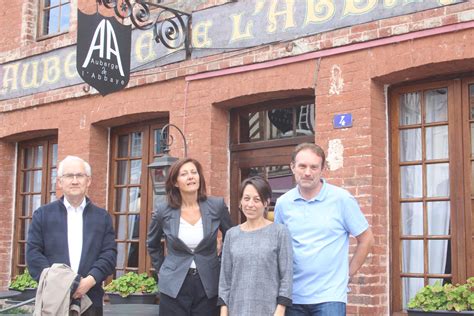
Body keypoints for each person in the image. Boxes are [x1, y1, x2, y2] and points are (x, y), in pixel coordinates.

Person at [274, 143, 375, 316]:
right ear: (292, 167)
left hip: (330, 297)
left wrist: (348, 273)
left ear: (323, 169)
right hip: (293, 296)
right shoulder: (283, 203)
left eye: (314, 167)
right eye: (302, 166)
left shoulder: (341, 199)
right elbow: (278, 246)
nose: (307, 172)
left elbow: (367, 239)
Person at [26, 155, 117, 316]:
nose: (75, 181)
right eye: (69, 176)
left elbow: (109, 255)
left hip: (91, 301)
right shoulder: (43, 215)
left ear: (88, 181)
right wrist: (63, 284)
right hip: (53, 301)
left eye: (79, 176)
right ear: (60, 182)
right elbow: (33, 255)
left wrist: (88, 282)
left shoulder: (102, 217)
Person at [147, 157, 233, 316]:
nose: (191, 176)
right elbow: (152, 244)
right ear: (175, 182)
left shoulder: (217, 206)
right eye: (184, 174)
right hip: (174, 285)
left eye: (194, 172)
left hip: (208, 284)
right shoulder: (163, 211)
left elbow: (232, 237)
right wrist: (163, 269)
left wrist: (219, 262)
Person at [218, 176, 293, 316]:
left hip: (269, 310)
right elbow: (225, 280)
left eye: (256, 199)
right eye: (246, 199)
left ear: (266, 202)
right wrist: (224, 311)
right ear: (240, 201)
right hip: (236, 310)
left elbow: (286, 276)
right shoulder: (231, 235)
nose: (250, 204)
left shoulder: (279, 232)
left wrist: (280, 310)